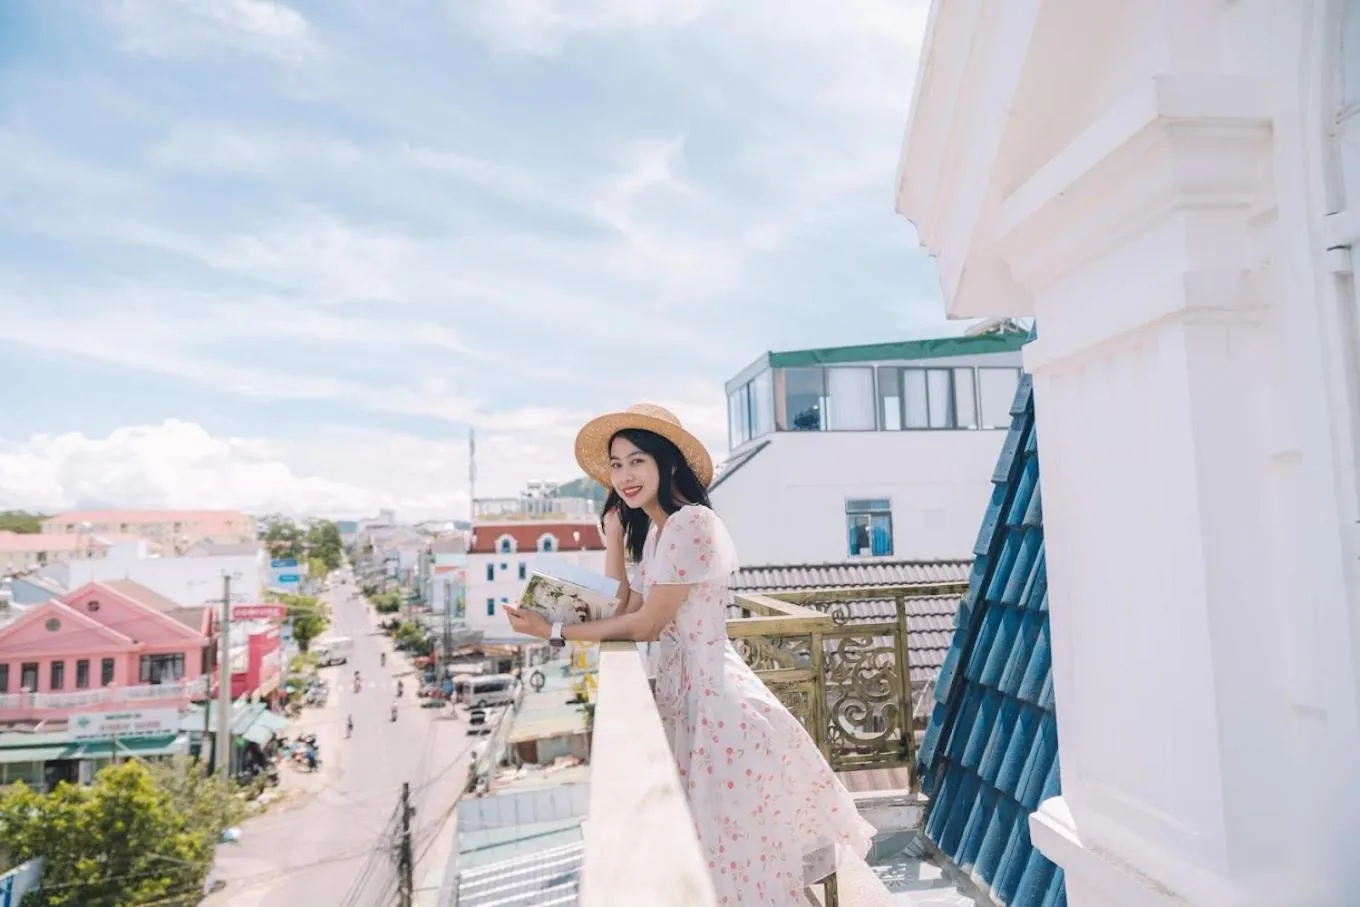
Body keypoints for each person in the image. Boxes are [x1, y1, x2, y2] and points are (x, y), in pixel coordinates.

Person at [506, 404, 878, 906]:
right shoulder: (661, 533)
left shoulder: (690, 525)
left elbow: (647, 624)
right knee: (715, 860)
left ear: (669, 463)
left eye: (636, 460)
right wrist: (614, 536)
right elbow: (625, 602)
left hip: (719, 708)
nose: (624, 475)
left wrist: (554, 631)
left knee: (735, 866)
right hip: (691, 706)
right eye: (615, 465)